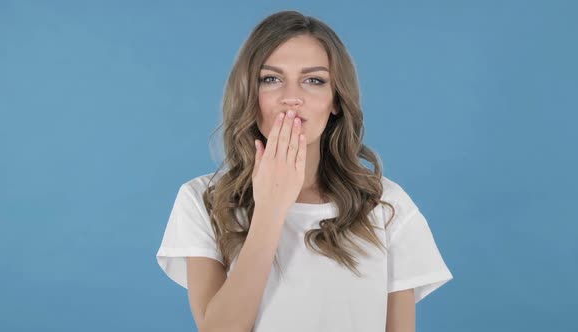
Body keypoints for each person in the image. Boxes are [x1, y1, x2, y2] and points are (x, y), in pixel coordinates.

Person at [156, 10, 453, 332]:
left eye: (314, 80)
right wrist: (271, 208)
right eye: (271, 79)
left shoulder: (386, 205)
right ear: (249, 95)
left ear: (335, 100)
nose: (291, 98)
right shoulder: (203, 199)